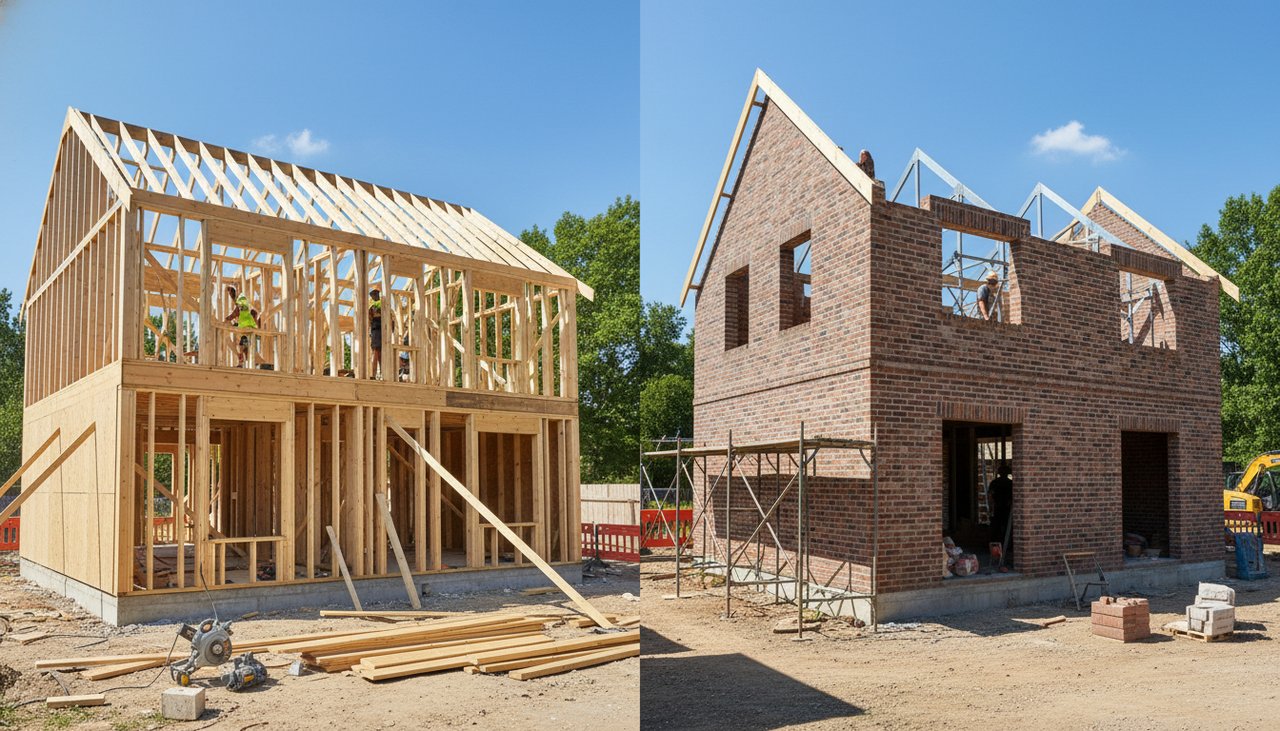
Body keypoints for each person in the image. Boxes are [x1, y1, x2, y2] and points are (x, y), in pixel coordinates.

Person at [224, 285, 258, 368]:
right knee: (242, 345)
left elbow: (232, 316)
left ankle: (243, 362)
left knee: (243, 346)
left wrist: (227, 321)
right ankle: (242, 361)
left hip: (246, 331)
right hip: (245, 330)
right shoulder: (244, 308)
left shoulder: (242, 308)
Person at [988, 462, 1013, 553]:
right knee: (1004, 528)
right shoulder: (1010, 483)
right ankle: (1004, 546)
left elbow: (990, 496)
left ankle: (996, 546)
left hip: (1000, 508)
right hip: (1005, 508)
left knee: (997, 528)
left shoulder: (995, 482)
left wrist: (991, 506)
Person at [368, 288, 383, 379]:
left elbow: (370, 318)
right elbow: (370, 318)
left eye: (374, 295)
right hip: (377, 330)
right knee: (377, 352)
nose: (373, 297)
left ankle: (378, 374)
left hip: (378, 330)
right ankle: (376, 374)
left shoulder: (377, 305)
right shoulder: (373, 306)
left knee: (378, 353)